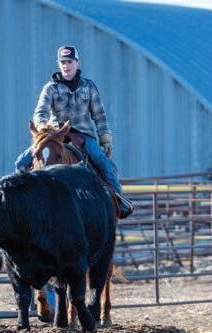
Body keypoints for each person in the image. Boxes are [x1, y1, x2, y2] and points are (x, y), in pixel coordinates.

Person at [15, 45, 134, 218]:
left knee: (106, 165)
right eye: (63, 62)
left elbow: (99, 115)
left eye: (70, 62)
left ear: (77, 63)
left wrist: (105, 137)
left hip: (83, 135)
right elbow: (40, 112)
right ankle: (21, 203)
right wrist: (42, 128)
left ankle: (117, 201)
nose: (66, 65)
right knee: (21, 163)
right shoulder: (50, 88)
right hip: (54, 135)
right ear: (59, 65)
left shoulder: (89, 87)